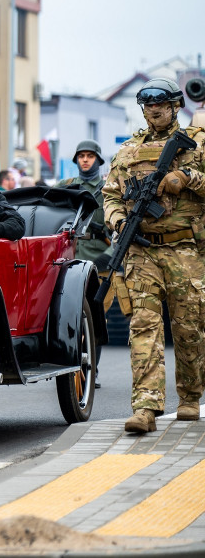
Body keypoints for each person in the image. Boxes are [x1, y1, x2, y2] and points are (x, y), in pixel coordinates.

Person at [102, 78, 205, 434]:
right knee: (144, 326)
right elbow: (110, 195)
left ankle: (190, 396)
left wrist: (187, 177)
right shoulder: (129, 150)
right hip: (142, 250)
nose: (154, 110)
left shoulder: (197, 143)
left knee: (189, 327)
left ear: (175, 106)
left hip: (185, 249)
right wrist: (118, 220)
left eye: (160, 104)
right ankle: (145, 407)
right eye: (148, 105)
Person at [58, 140, 110, 388]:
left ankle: (92, 370)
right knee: (70, 317)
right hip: (70, 259)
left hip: (99, 263)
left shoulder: (109, 189)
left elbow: (119, 231)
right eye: (81, 156)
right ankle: (70, 367)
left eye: (90, 156)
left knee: (95, 318)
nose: (86, 160)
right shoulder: (66, 187)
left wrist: (107, 257)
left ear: (98, 160)